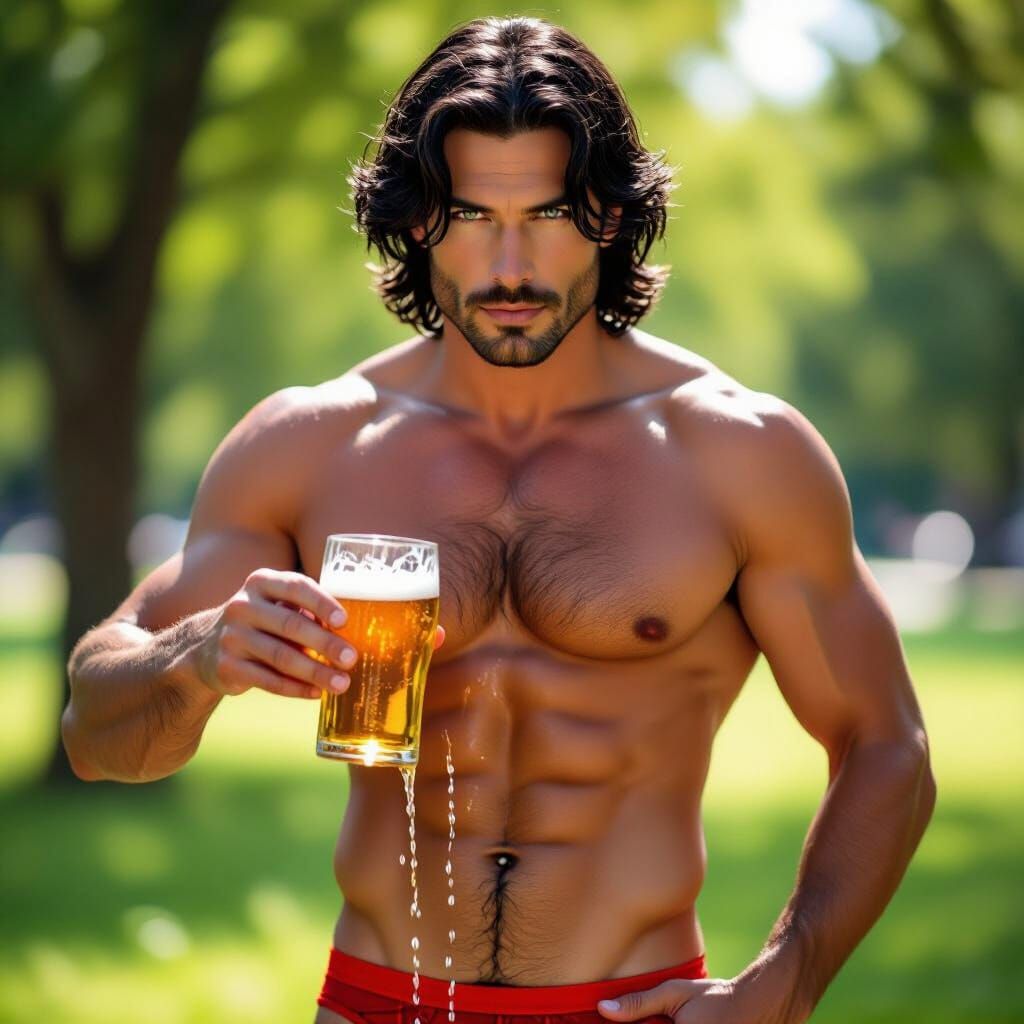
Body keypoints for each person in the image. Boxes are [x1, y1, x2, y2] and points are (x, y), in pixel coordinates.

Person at [61, 15, 936, 1024]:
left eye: (546, 214)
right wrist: (198, 654)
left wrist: (787, 977)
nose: (509, 263)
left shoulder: (738, 452)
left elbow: (886, 741)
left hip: (626, 1005)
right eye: (472, 215)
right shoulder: (311, 443)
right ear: (418, 221)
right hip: (378, 1000)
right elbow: (96, 734)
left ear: (606, 216)